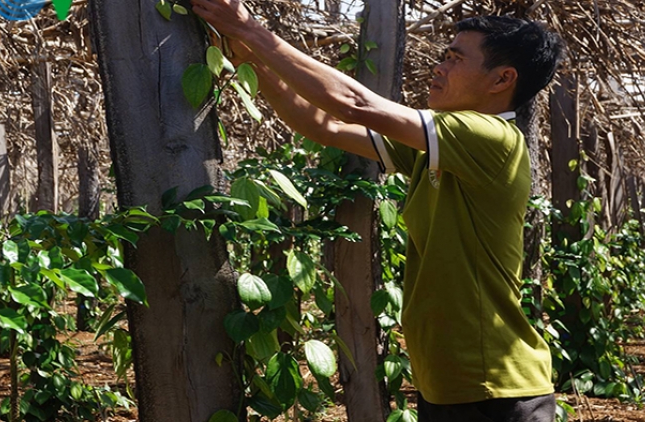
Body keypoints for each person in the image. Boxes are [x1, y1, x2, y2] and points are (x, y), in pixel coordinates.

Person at [189, 1, 565, 420]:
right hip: (451, 385)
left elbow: (354, 104)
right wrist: (252, 64)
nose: (439, 67)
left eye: (456, 59)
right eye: (444, 55)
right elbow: (325, 126)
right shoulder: (443, 149)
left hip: (497, 391)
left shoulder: (492, 137)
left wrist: (250, 30)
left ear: (502, 79)